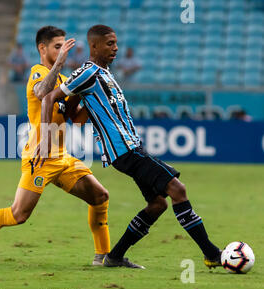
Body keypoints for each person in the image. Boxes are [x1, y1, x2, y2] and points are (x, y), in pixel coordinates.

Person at [37, 24, 222, 269]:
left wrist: (80, 103)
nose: (115, 48)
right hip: (124, 151)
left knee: (157, 204)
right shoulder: (88, 71)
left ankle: (114, 257)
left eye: (116, 43)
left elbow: (76, 116)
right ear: (94, 46)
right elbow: (48, 97)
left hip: (133, 148)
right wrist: (46, 137)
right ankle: (211, 254)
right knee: (178, 190)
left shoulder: (105, 74)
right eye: (109, 43)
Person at [0, 26, 111, 266]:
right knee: (18, 214)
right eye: (57, 46)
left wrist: (92, 97)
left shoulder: (64, 81)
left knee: (100, 196)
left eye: (64, 46)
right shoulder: (37, 72)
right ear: (42, 48)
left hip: (62, 157)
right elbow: (43, 92)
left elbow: (76, 120)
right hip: (40, 155)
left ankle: (103, 256)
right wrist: (60, 63)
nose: (63, 50)